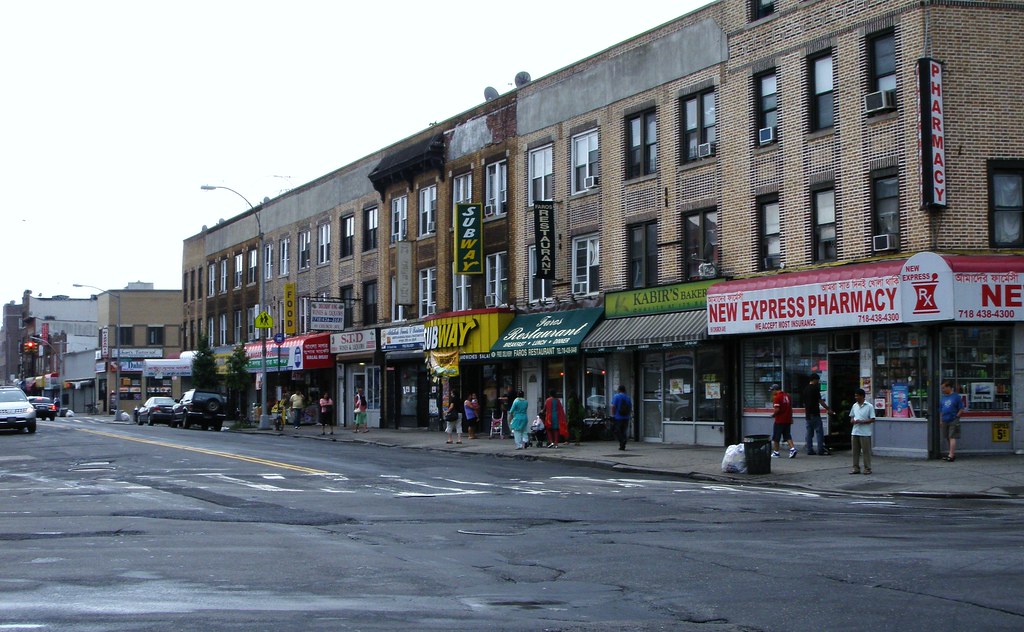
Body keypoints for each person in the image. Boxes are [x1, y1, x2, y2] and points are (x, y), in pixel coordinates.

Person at [801, 374, 831, 455]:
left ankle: (809, 449)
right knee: (819, 432)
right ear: (814, 379)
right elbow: (820, 401)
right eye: (817, 380)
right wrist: (828, 409)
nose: (818, 382)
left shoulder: (805, 389)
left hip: (808, 414)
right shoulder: (815, 388)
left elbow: (804, 403)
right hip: (815, 413)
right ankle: (820, 449)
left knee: (809, 433)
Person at [849, 387, 876, 474]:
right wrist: (853, 421)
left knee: (866, 451)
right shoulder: (854, 405)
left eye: (857, 396)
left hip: (865, 432)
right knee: (855, 451)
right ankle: (855, 467)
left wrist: (862, 421)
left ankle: (867, 468)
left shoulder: (869, 406)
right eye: (855, 396)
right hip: (855, 431)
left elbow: (872, 419)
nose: (856, 397)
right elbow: (852, 416)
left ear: (862, 396)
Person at [769, 384, 798, 458]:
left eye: (772, 390)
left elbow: (777, 409)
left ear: (775, 390)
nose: (772, 392)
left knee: (776, 437)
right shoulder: (787, 396)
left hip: (779, 420)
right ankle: (792, 449)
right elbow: (790, 407)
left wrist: (773, 415)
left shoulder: (777, 397)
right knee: (787, 435)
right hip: (787, 419)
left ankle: (776, 452)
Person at [939, 379, 965, 462]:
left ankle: (951, 455)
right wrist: (941, 420)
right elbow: (941, 409)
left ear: (949, 387)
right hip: (945, 419)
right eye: (942, 388)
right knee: (947, 437)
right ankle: (951, 453)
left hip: (953, 419)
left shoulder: (956, 397)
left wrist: (956, 417)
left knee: (952, 436)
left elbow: (961, 408)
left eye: (943, 388)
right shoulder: (943, 398)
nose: (942, 390)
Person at [610, 384, 633, 451]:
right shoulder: (628, 397)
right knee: (623, 431)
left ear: (619, 390)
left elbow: (613, 406)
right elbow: (630, 407)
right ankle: (622, 444)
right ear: (625, 390)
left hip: (618, 417)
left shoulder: (616, 396)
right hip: (626, 417)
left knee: (616, 430)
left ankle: (622, 441)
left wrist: (613, 415)